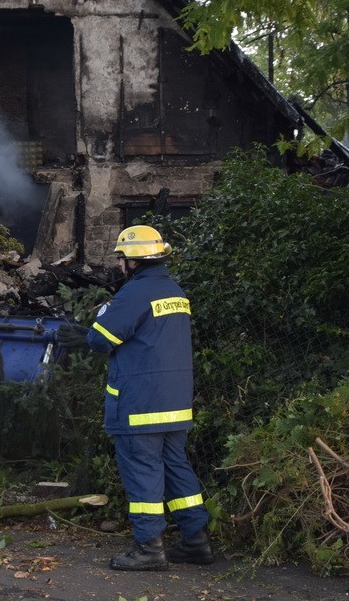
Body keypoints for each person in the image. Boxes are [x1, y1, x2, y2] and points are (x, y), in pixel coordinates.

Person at [57, 225, 213, 571]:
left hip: (141, 403)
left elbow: (102, 339)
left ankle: (149, 549)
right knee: (176, 470)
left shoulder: (136, 294)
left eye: (121, 258)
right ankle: (196, 542)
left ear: (132, 260)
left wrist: (83, 335)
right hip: (174, 403)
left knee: (143, 472)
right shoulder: (175, 291)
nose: (119, 264)